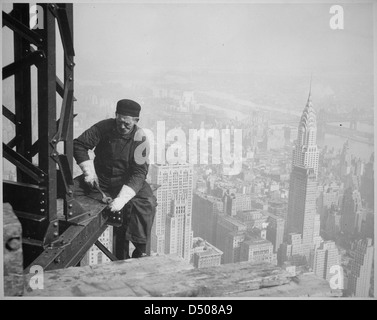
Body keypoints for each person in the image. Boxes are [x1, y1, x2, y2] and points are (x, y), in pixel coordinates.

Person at [73, 99, 157, 259]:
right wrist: (89, 172)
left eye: (127, 124)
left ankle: (140, 248)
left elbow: (139, 172)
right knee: (68, 191)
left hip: (126, 182)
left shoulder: (141, 140)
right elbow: (79, 144)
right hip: (101, 179)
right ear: (116, 116)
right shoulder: (104, 127)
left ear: (136, 121)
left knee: (148, 202)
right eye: (120, 121)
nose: (122, 126)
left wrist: (122, 199)